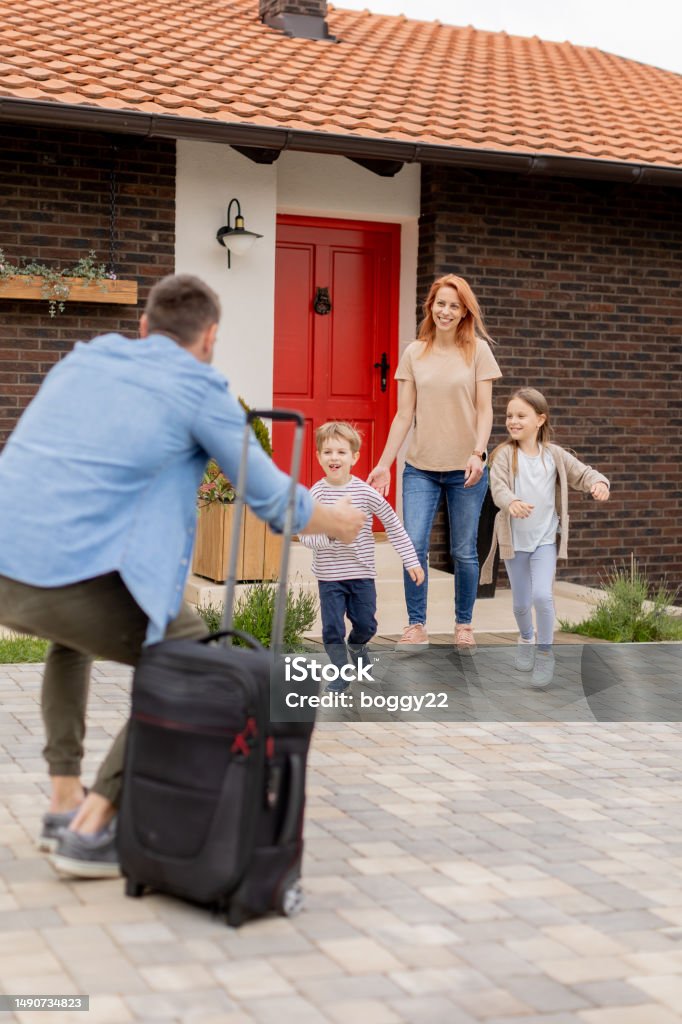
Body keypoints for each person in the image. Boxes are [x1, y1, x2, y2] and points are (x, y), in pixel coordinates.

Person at [0, 274, 365, 879]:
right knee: (199, 661)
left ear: (144, 327)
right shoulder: (199, 387)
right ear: (210, 337)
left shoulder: (82, 362)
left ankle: (63, 805)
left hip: (12, 558)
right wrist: (340, 521)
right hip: (73, 570)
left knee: (74, 639)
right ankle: (90, 829)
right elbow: (272, 499)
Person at [367, 274, 502, 654]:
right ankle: (416, 624)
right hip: (421, 468)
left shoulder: (477, 351)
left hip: (467, 469)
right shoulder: (415, 353)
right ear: (431, 306)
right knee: (413, 545)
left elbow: (484, 409)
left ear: (464, 313)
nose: (446, 311)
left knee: (464, 551)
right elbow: (402, 415)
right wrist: (383, 464)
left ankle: (463, 624)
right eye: (440, 303)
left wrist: (478, 453)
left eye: (454, 306)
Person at [480, 388, 610, 686]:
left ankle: (545, 653)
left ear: (540, 419)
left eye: (521, 416)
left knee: (542, 595)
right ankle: (526, 638)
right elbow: (497, 488)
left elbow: (584, 473)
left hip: (544, 540)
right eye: (509, 415)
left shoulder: (554, 456)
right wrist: (511, 501)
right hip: (515, 541)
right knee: (521, 604)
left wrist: (599, 483)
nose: (513, 421)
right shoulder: (503, 455)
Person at [299, 421, 424, 691]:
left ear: (354, 457)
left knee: (366, 624)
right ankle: (341, 671)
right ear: (319, 456)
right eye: (328, 452)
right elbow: (305, 536)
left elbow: (393, 524)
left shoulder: (366, 493)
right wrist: (331, 533)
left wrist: (411, 559)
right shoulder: (316, 494)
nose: (334, 457)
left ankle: (357, 648)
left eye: (341, 452)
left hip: (361, 574)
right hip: (330, 576)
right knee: (332, 628)